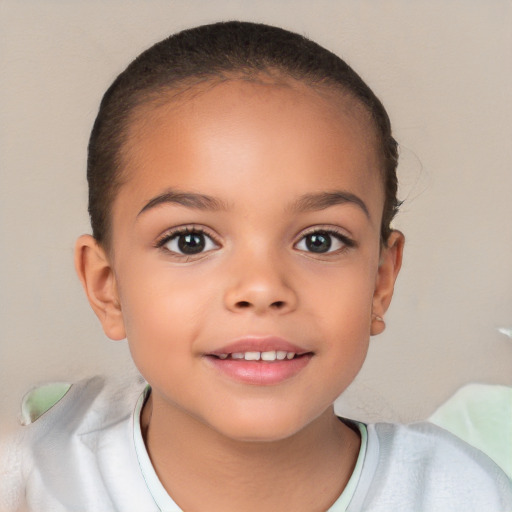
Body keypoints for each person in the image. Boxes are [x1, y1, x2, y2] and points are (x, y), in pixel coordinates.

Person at [1, 21, 510, 512]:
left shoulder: (464, 495)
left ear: (380, 280)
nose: (262, 288)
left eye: (319, 240)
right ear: (106, 287)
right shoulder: (31, 484)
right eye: (190, 241)